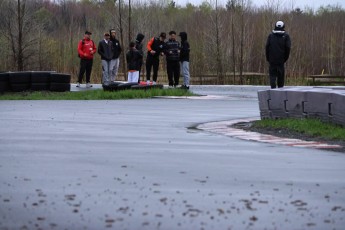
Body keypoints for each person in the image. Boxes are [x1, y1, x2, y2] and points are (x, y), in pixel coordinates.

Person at [265, 20, 291, 89]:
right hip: (281, 60)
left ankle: (273, 90)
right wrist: (285, 59)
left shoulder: (271, 36)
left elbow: (267, 47)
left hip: (272, 60)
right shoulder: (286, 36)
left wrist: (268, 58)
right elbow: (288, 48)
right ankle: (280, 92)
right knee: (281, 78)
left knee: (272, 77)